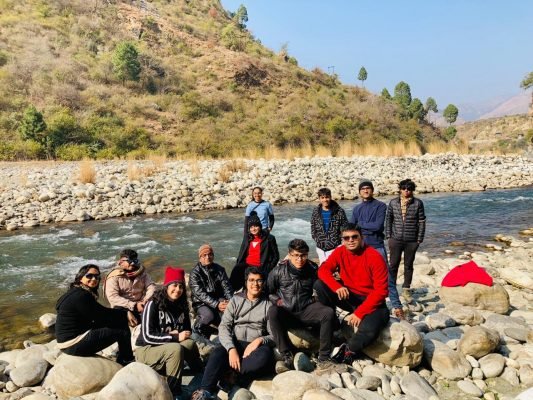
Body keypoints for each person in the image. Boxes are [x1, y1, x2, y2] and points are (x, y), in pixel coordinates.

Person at [191, 268, 275, 400]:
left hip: (255, 347)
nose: (255, 284)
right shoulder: (236, 300)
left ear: (263, 283)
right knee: (218, 353)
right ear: (246, 282)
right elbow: (224, 327)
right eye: (252, 280)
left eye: (259, 280)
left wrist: (258, 341)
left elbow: (273, 335)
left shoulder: (268, 305)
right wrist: (231, 349)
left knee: (265, 356)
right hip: (236, 341)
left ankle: (230, 375)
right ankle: (205, 391)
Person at [315, 223, 389, 364]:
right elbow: (322, 270)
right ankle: (331, 320)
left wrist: (360, 313)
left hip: (372, 301)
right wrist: (337, 287)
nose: (351, 240)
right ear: (342, 240)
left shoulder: (374, 257)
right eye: (346, 238)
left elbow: (381, 291)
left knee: (369, 330)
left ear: (362, 237)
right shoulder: (340, 252)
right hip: (349, 296)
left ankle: (348, 350)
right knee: (320, 285)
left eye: (354, 237)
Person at [267, 239, 336, 373]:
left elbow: (321, 288)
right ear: (290, 255)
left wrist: (316, 299)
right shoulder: (278, 271)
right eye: (296, 255)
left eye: (303, 255)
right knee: (273, 311)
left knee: (328, 313)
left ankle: (324, 357)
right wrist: (277, 301)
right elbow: (268, 292)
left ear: (307, 254)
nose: (299, 259)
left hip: (306, 310)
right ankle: (286, 354)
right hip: (287, 312)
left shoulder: (312, 269)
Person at [136, 266, 203, 397]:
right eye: (174, 285)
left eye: (181, 286)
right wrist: (173, 336)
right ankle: (173, 392)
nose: (178, 290)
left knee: (189, 344)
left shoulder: (182, 305)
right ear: (166, 285)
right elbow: (147, 336)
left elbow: (187, 331)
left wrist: (179, 335)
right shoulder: (152, 304)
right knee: (175, 348)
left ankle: (201, 372)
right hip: (146, 350)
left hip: (166, 347)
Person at [55, 264, 134, 365]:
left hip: (74, 336)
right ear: (80, 277)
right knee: (122, 330)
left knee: (118, 313)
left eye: (97, 277)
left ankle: (123, 354)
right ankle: (127, 360)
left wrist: (123, 312)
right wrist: (125, 314)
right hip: (72, 344)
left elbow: (99, 313)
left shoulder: (75, 291)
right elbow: (101, 316)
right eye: (89, 276)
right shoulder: (81, 296)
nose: (94, 279)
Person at [350, 180, 404, 319]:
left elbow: (378, 226)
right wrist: (361, 227)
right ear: (360, 192)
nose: (366, 191)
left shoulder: (380, 206)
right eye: (363, 189)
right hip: (360, 247)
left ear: (372, 190)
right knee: (362, 278)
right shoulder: (357, 209)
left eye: (368, 188)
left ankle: (397, 307)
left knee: (387, 278)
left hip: (376, 245)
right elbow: (353, 228)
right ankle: (369, 306)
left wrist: (360, 225)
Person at [385, 179, 426, 302]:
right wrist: (388, 236)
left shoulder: (418, 203)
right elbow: (388, 220)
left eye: (409, 189)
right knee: (393, 265)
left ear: (412, 190)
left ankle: (406, 289)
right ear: (400, 190)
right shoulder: (393, 203)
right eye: (404, 188)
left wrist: (419, 239)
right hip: (395, 240)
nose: (406, 191)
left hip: (411, 240)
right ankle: (391, 288)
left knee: (408, 266)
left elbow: (422, 222)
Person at [189, 244, 233, 339]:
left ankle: (223, 333)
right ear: (200, 258)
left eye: (210, 254)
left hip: (218, 299)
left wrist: (230, 301)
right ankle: (197, 328)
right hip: (201, 303)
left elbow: (227, 287)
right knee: (209, 315)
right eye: (204, 255)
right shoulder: (195, 273)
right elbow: (200, 294)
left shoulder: (220, 269)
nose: (207, 257)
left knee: (229, 313)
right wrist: (217, 304)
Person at [104, 249, 156, 327]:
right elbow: (113, 297)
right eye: (129, 261)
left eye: (134, 260)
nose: (132, 263)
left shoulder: (142, 273)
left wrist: (145, 300)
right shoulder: (114, 276)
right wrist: (134, 305)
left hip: (141, 303)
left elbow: (151, 287)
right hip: (122, 307)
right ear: (121, 261)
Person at [230, 215, 280, 291]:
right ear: (249, 229)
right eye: (251, 227)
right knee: (236, 270)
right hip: (247, 265)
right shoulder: (247, 238)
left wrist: (269, 267)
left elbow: (276, 256)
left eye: (256, 226)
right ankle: (230, 294)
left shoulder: (269, 238)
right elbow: (241, 253)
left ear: (260, 226)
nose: (254, 229)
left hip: (261, 266)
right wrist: (238, 263)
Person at [310, 187, 348, 264]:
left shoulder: (339, 211)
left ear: (330, 197)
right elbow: (313, 226)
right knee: (323, 269)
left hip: (335, 246)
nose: (325, 200)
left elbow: (345, 227)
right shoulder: (316, 211)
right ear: (319, 199)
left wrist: (341, 241)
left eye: (327, 197)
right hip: (320, 247)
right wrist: (316, 238)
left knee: (335, 269)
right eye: (322, 198)